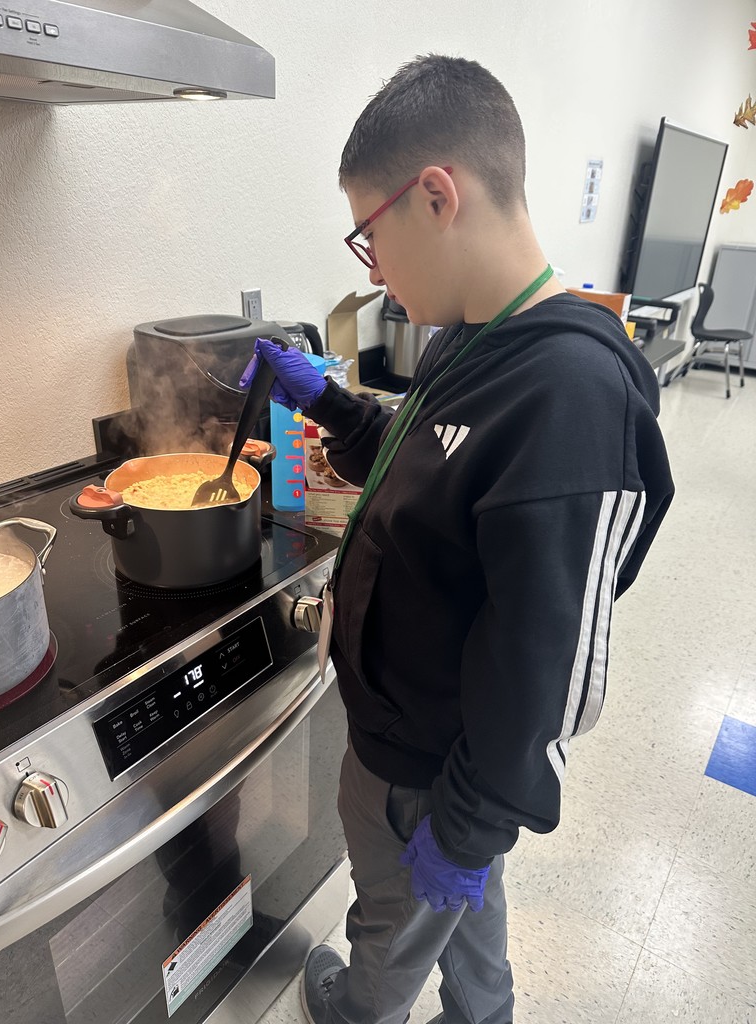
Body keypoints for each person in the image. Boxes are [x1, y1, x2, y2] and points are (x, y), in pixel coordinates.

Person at [241, 54, 674, 1024]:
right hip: (407, 737)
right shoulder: (473, 334)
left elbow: (554, 668)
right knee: (457, 915)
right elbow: (421, 476)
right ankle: (483, 1013)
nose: (373, 270)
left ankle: (361, 1011)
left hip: (434, 765)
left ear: (437, 196)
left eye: (370, 235)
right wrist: (332, 405)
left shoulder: (571, 399)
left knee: (394, 919)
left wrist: (470, 824)